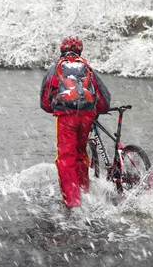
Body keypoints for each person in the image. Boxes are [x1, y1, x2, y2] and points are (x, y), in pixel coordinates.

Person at [40, 36, 111, 209]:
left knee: (66, 158)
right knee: (80, 154)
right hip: (87, 115)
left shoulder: (55, 69)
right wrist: (94, 110)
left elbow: (44, 102)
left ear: (61, 50)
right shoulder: (87, 68)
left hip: (66, 117)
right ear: (80, 51)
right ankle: (84, 192)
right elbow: (104, 98)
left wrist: (57, 107)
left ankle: (73, 203)